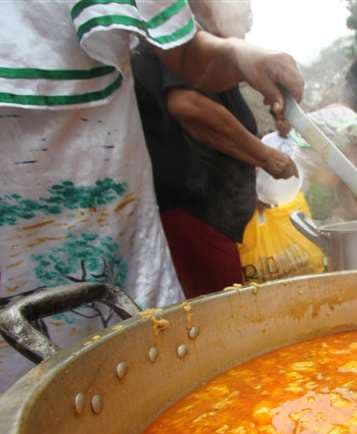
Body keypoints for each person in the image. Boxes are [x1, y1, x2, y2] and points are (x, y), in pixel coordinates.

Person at [0, 1, 303, 349]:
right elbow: (185, 101)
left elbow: (186, 53)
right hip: (185, 209)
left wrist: (242, 56)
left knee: (156, 359)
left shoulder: (178, 33)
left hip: (126, 243)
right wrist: (263, 154)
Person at [132, 0, 297, 299]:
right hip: (193, 214)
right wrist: (266, 156)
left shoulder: (211, 59)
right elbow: (188, 105)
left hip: (209, 218)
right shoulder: (178, 45)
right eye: (243, 13)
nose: (246, 26)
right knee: (223, 318)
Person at [291, 52, 357, 222]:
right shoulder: (346, 119)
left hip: (296, 214)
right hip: (296, 214)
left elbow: (342, 190)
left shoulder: (332, 115)